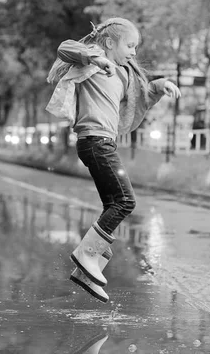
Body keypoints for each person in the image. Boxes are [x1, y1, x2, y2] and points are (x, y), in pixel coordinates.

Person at [46, 17, 181, 303]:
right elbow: (64, 48)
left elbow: (141, 93)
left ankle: (86, 273)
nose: (134, 52)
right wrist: (93, 59)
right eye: (130, 45)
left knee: (113, 205)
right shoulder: (90, 62)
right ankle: (86, 254)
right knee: (125, 202)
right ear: (109, 43)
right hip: (94, 142)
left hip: (104, 143)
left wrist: (161, 85)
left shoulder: (122, 75)